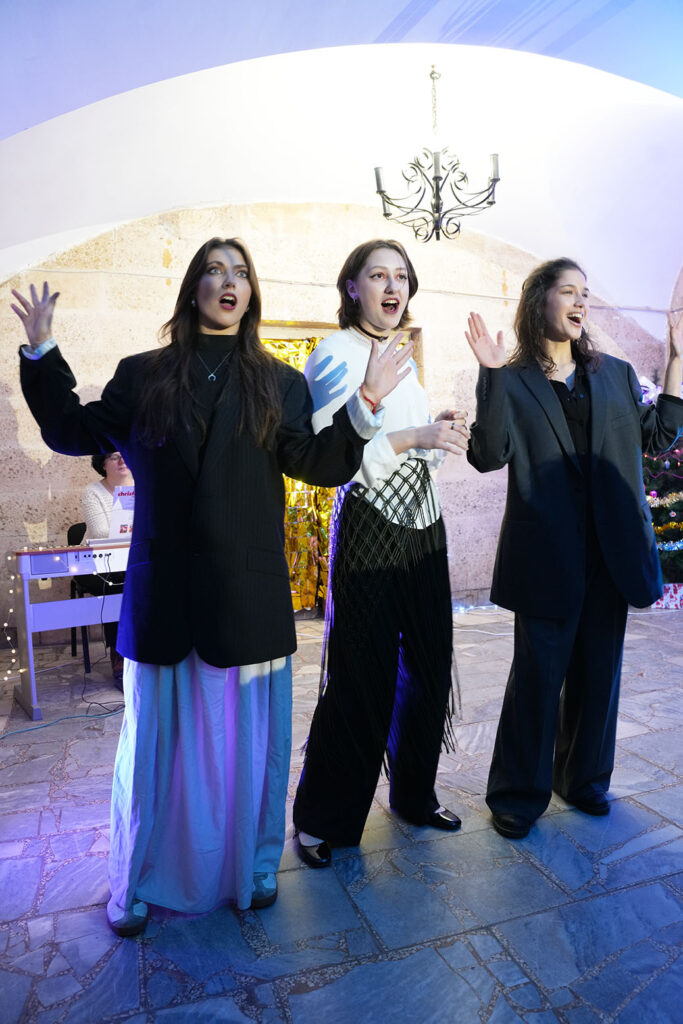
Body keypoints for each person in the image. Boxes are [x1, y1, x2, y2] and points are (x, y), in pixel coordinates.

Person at [12, 236, 413, 934]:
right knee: (152, 754)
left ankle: (251, 872)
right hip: (164, 596)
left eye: (240, 273)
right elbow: (71, 431)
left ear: (250, 293)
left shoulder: (277, 383)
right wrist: (43, 350)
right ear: (193, 287)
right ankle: (135, 883)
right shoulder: (142, 375)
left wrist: (368, 400)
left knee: (247, 753)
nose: (228, 281)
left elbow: (320, 464)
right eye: (213, 270)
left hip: (246, 598)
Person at [465, 257, 683, 840]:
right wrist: (489, 375)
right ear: (540, 301)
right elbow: (488, 454)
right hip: (545, 555)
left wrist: (677, 360)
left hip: (609, 554)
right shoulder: (513, 379)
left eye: (585, 292)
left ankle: (583, 780)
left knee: (598, 675)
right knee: (537, 680)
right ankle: (517, 795)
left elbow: (658, 436)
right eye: (568, 291)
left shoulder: (615, 373)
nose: (581, 301)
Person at [292, 239, 469, 868]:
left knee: (430, 665)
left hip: (424, 521)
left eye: (401, 277)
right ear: (352, 287)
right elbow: (334, 456)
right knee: (359, 673)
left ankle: (414, 796)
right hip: (369, 520)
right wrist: (417, 433)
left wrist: (436, 431)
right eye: (378, 275)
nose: (393, 287)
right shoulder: (332, 354)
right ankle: (323, 818)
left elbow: (412, 447)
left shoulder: (402, 355)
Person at [79, 451, 134, 683]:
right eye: (113, 457)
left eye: (124, 455)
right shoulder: (93, 491)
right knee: (117, 583)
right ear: (103, 464)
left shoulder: (141, 488)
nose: (122, 461)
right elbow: (100, 532)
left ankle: (146, 645)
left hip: (131, 560)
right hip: (94, 563)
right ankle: (118, 654)